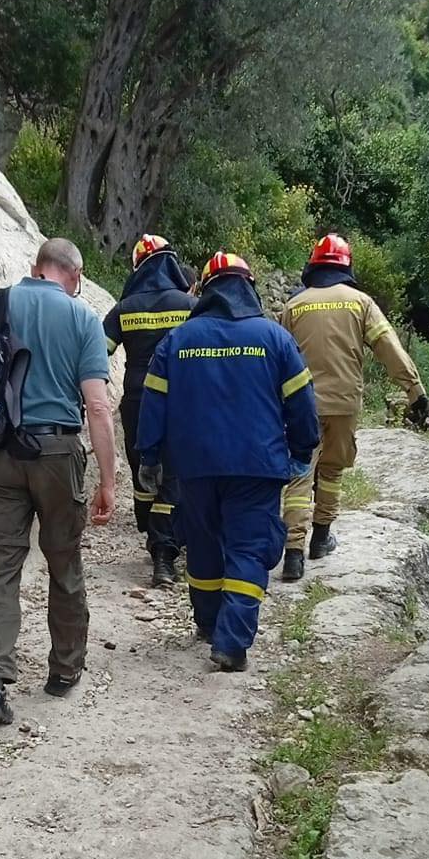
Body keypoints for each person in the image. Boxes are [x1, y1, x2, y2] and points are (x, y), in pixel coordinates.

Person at [0, 237, 117, 725]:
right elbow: (99, 406)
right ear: (76, 274)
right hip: (58, 452)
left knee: (0, 566)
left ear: (35, 268)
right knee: (64, 561)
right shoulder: (82, 317)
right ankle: (64, 670)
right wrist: (108, 480)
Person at [136, 251, 319, 673]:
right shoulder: (274, 339)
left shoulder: (178, 340)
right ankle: (232, 643)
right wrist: (302, 450)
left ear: (205, 290)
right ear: (249, 286)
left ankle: (208, 622)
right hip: (257, 466)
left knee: (201, 543)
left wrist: (150, 455)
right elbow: (302, 403)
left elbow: (154, 403)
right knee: (248, 548)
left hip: (194, 467)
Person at [277, 233, 429, 582]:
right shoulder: (361, 303)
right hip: (345, 403)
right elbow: (388, 347)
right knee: (330, 471)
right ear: (347, 265)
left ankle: (293, 555)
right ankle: (320, 539)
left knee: (300, 473)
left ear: (314, 264)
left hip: (302, 404)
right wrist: (414, 391)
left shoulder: (294, 306)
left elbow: (280, 357)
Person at [102, 234, 194, 586]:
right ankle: (164, 551)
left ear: (138, 268)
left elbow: (99, 354)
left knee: (143, 466)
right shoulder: (188, 304)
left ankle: (152, 533)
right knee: (172, 474)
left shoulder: (124, 309)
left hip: (138, 400)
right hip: (180, 400)